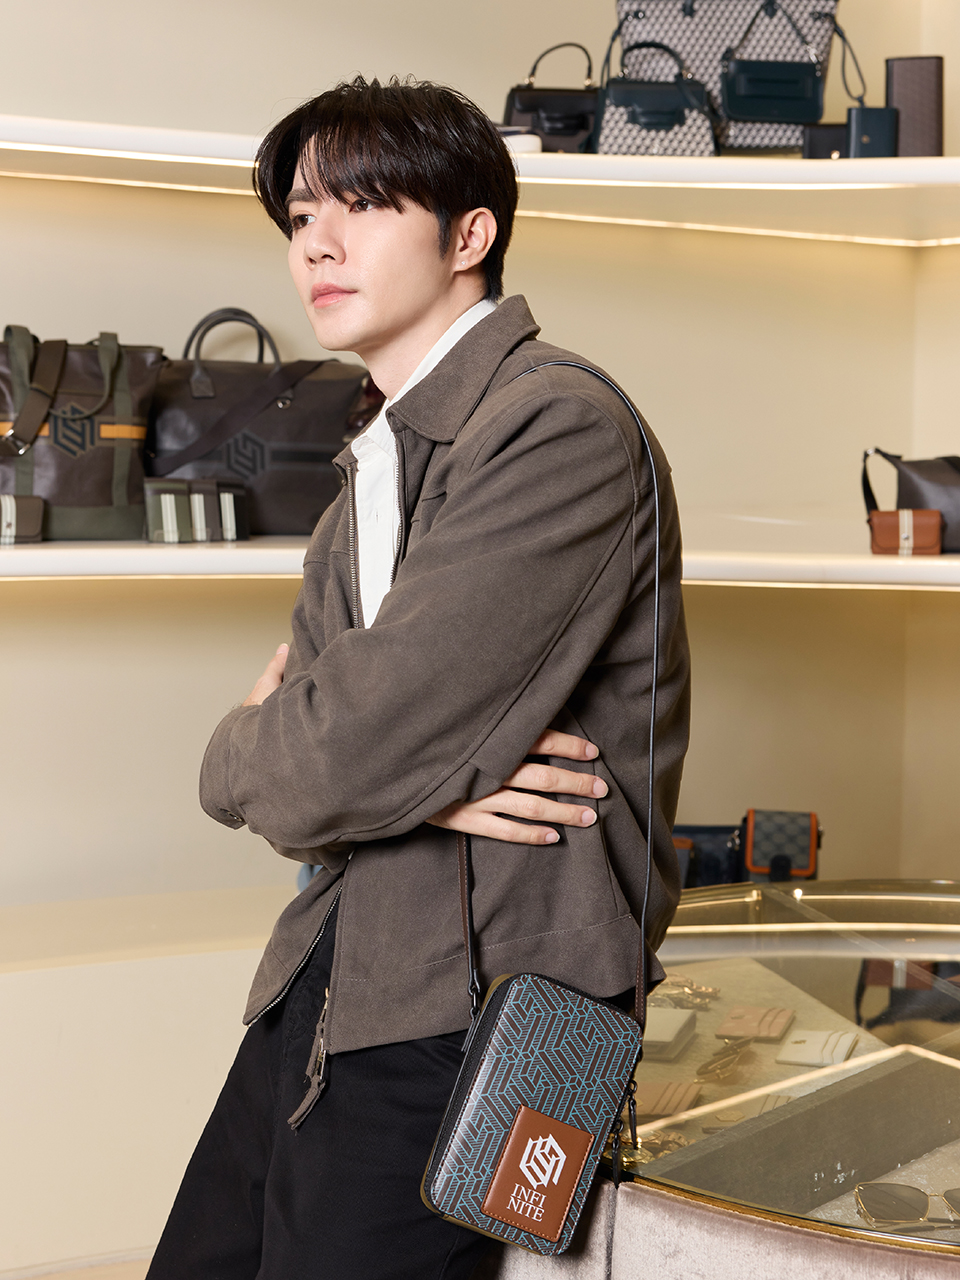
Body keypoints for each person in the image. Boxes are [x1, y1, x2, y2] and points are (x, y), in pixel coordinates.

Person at [146, 75, 690, 1280]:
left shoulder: (558, 428)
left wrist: (253, 750)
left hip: (484, 1008)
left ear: (469, 233)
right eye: (300, 216)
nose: (317, 243)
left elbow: (330, 755)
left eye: (363, 205)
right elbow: (328, 775)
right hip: (332, 972)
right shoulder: (371, 470)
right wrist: (417, 780)